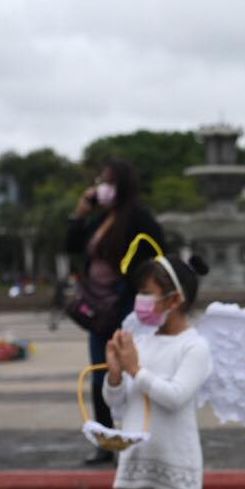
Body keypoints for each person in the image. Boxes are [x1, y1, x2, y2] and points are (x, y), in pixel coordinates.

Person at [103, 252, 214, 489]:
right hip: (137, 456)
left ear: (175, 299)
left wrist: (135, 369)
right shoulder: (141, 343)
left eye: (149, 294)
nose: (142, 303)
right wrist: (116, 374)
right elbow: (119, 403)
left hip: (175, 457)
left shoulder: (194, 347)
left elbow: (175, 396)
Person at [66, 159, 164, 466]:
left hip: (123, 306)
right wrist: (81, 210)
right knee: (100, 372)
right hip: (98, 309)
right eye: (100, 180)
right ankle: (105, 440)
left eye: (107, 181)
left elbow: (156, 253)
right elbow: (70, 244)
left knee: (135, 372)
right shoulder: (102, 218)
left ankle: (139, 434)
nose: (101, 186)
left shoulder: (137, 217)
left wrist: (137, 291)